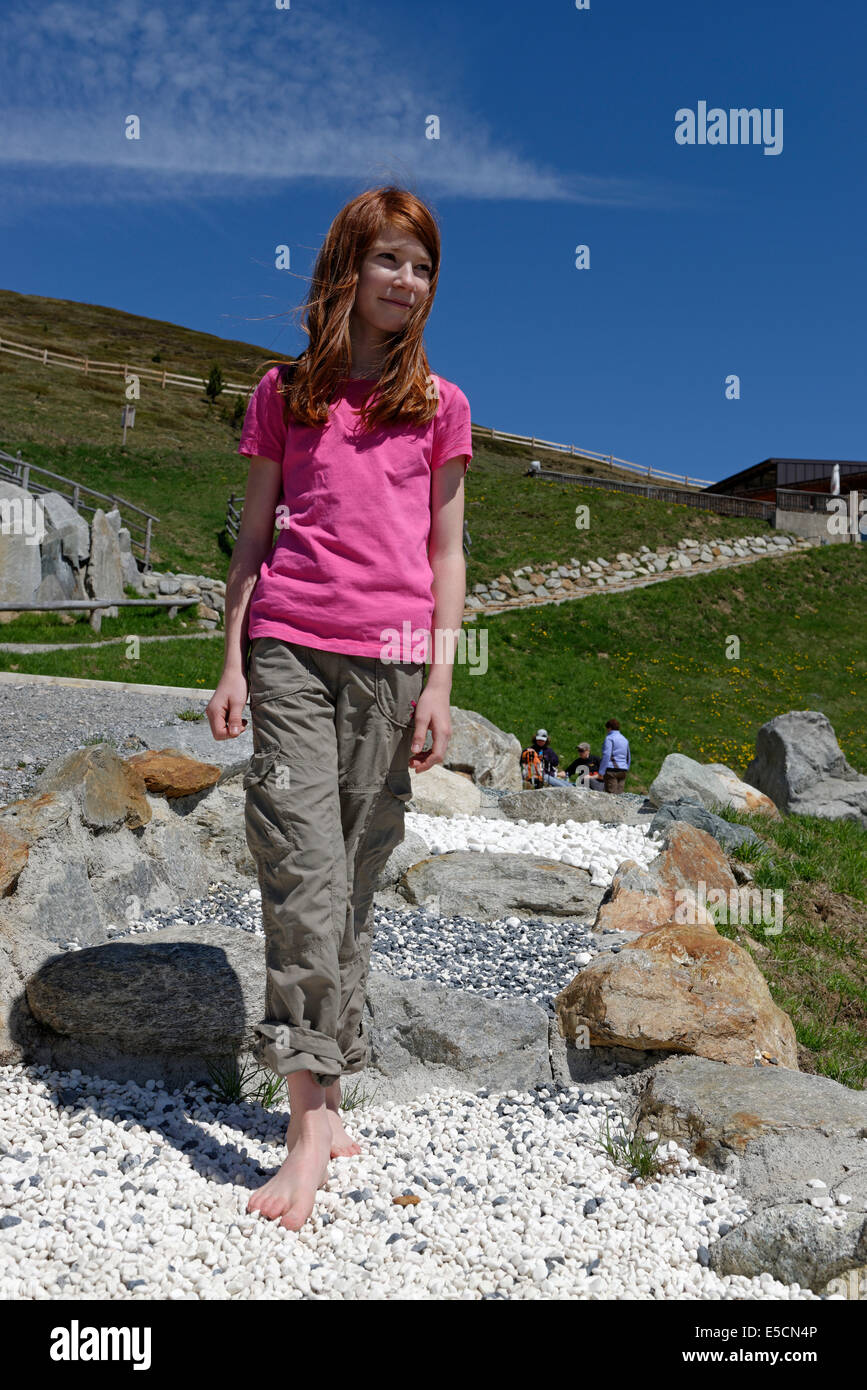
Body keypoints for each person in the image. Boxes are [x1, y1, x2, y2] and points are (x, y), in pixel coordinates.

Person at [205, 186, 472, 1233]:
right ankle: (306, 1122)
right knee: (302, 868)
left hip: (395, 663)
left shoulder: (441, 404)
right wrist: (231, 660)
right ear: (349, 267)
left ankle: (331, 1081)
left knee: (356, 870)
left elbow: (447, 555)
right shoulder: (285, 392)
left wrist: (441, 682)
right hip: (287, 651)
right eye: (391, 260)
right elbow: (254, 540)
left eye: (424, 267)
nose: (407, 282)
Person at [596, 717, 631, 793]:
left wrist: (601, 772)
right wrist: (626, 767)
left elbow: (606, 755)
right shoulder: (625, 739)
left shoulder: (609, 738)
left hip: (612, 770)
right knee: (619, 796)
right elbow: (628, 756)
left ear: (609, 728)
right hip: (623, 770)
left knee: (611, 795)